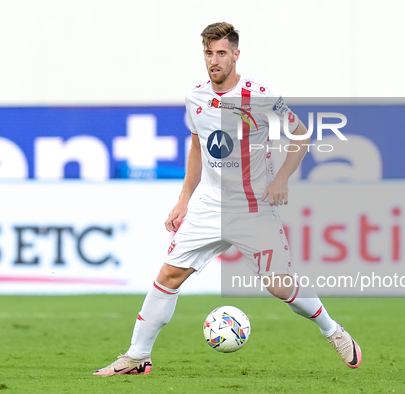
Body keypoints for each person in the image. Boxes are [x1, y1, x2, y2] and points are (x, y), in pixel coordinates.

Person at [94, 22, 361, 376]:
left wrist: (281, 178)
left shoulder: (261, 96)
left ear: (236, 54)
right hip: (208, 206)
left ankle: (334, 331)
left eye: (221, 53)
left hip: (253, 209)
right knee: (169, 275)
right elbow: (197, 146)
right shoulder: (195, 97)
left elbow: (302, 135)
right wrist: (183, 200)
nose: (214, 60)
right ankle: (137, 356)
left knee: (280, 286)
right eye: (208, 53)